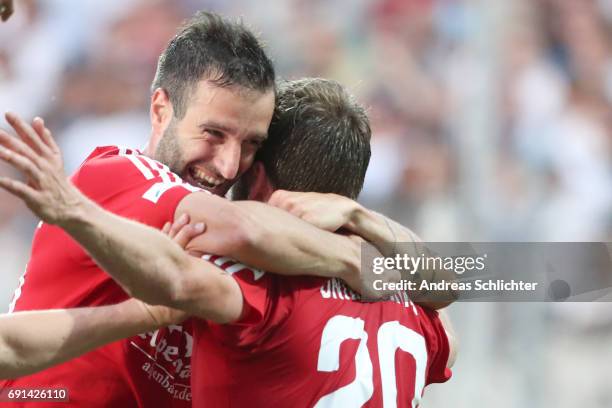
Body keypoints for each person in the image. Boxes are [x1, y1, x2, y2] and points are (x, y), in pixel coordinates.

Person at [0, 11, 380, 407]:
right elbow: (243, 229)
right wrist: (357, 254)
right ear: (161, 110)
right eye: (213, 134)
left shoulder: (266, 269)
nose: (230, 166)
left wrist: (364, 219)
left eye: (250, 144)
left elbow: (447, 282)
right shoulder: (115, 175)